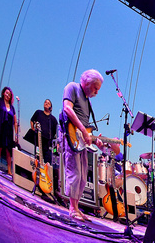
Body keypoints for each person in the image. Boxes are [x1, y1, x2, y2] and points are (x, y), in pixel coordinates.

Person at [60, 69, 106, 220]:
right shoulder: (72, 87)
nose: (97, 92)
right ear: (87, 82)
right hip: (71, 135)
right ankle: (72, 209)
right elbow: (67, 109)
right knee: (75, 172)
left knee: (83, 176)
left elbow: (86, 128)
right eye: (95, 88)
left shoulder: (88, 101)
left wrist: (94, 139)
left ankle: (77, 208)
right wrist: (84, 132)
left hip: (81, 139)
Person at [0, 86, 18, 175]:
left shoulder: (12, 108)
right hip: (0, 127)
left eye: (9, 94)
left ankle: (9, 170)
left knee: (8, 150)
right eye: (7, 93)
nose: (8, 95)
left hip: (9, 131)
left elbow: (15, 122)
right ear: (3, 93)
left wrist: (16, 134)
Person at [30, 99, 58, 164]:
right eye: (45, 102)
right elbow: (32, 120)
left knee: (47, 162)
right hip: (39, 141)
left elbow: (56, 131)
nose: (46, 103)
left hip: (48, 144)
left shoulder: (53, 119)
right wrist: (33, 129)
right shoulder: (38, 112)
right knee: (37, 159)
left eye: (48, 103)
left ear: (51, 107)